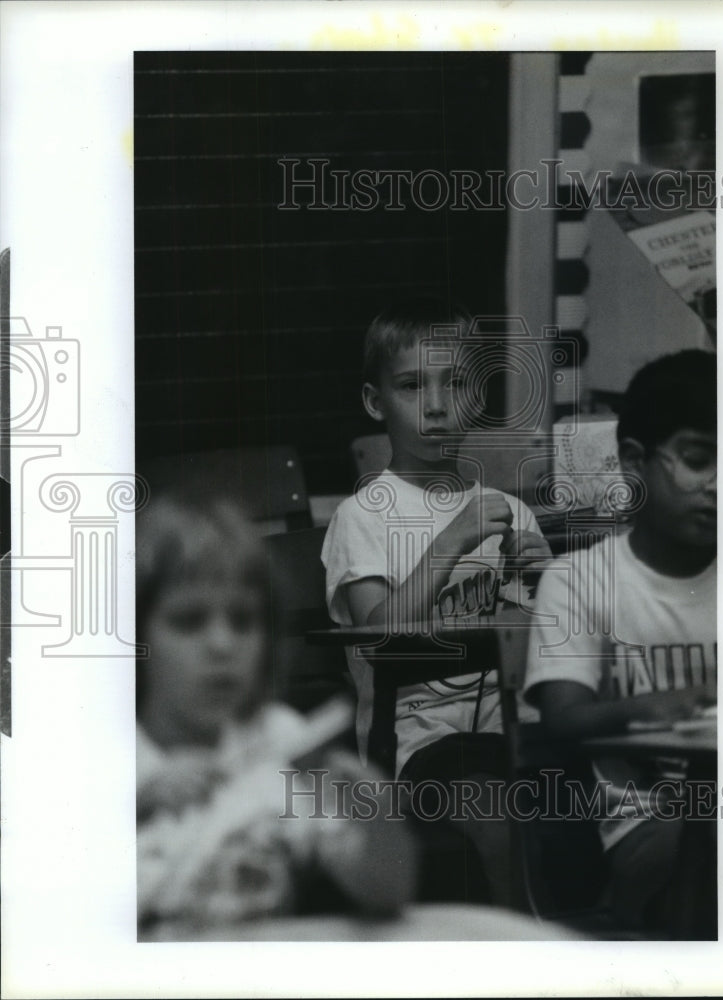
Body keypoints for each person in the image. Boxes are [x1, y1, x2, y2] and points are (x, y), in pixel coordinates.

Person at [321, 298, 551, 904]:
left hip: (518, 733)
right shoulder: (361, 518)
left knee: (608, 801)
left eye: (455, 384)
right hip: (419, 748)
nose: (436, 404)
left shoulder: (512, 512)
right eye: (411, 386)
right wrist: (452, 540)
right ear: (376, 403)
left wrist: (549, 590)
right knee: (504, 817)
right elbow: (379, 641)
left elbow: (547, 655)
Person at [136, 495, 415, 932]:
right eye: (189, 621)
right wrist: (133, 805)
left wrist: (379, 823)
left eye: (244, 621)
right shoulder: (100, 755)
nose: (223, 645)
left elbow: (386, 893)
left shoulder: (280, 735)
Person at [523, 348, 717, 934]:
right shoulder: (580, 580)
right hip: (647, 828)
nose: (719, 485)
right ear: (634, 464)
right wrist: (652, 707)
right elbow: (560, 718)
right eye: (698, 459)